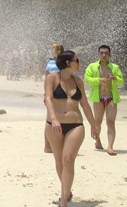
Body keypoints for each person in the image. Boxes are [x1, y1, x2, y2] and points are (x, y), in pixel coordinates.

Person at [45, 50, 98, 206]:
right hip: (54, 125)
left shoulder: (78, 81)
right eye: (77, 60)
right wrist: (54, 118)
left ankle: (63, 201)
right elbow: (48, 98)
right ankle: (67, 192)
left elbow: (85, 105)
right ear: (68, 63)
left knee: (68, 159)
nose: (79, 63)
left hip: (75, 125)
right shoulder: (51, 78)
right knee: (59, 160)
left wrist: (94, 125)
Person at [84, 45, 125, 156]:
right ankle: (98, 141)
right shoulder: (92, 66)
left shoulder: (114, 67)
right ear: (98, 54)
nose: (104, 55)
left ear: (110, 54)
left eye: (106, 53)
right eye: (101, 53)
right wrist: (99, 80)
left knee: (110, 122)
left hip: (111, 97)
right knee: (98, 121)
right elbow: (87, 79)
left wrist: (115, 79)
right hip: (98, 98)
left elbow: (122, 81)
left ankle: (110, 146)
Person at [44, 43, 65, 153]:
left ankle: (49, 145)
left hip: (57, 93)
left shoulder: (52, 63)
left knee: (52, 119)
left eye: (58, 50)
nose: (57, 52)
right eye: (56, 50)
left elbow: (46, 79)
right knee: (51, 119)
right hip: (54, 93)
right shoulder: (57, 63)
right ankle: (48, 145)